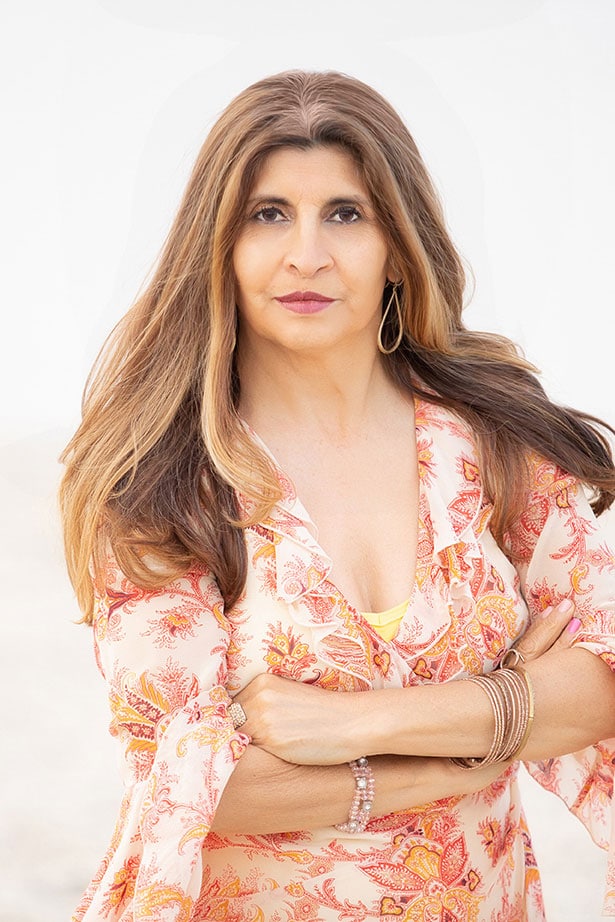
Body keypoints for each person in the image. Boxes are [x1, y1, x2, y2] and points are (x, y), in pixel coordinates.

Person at [60, 70, 615, 922]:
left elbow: (602, 681)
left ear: (398, 243)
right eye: (268, 213)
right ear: (219, 244)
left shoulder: (497, 446)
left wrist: (349, 729)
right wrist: (489, 733)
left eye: (346, 214)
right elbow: (198, 785)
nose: (306, 256)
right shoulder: (162, 483)